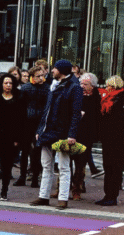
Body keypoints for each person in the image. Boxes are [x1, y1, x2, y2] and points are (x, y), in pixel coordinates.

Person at [32, 59, 83, 210]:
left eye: (54, 68)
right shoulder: (54, 86)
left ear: (61, 70)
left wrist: (71, 134)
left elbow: (75, 113)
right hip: (49, 131)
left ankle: (62, 198)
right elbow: (46, 111)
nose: (52, 71)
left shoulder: (74, 88)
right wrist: (40, 130)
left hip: (62, 132)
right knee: (46, 165)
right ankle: (43, 196)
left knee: (63, 166)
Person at [95, 75, 124, 206]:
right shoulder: (109, 99)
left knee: (114, 167)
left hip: (117, 140)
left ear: (114, 86)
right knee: (108, 166)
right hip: (108, 138)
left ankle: (112, 196)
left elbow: (119, 121)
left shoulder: (120, 100)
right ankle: (108, 194)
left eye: (109, 85)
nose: (106, 88)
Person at [18, 65, 49, 188]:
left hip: (39, 122)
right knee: (25, 150)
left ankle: (35, 177)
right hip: (27, 121)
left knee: (37, 151)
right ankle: (22, 176)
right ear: (32, 77)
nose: (41, 78)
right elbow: (20, 106)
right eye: (38, 76)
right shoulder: (25, 88)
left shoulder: (47, 89)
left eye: (42, 76)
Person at [71, 72, 101, 200]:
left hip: (87, 134)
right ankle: (61, 187)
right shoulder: (76, 95)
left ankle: (77, 188)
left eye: (86, 84)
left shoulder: (97, 98)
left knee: (80, 163)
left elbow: (97, 118)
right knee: (66, 161)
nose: (82, 86)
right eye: (81, 83)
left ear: (92, 86)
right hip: (73, 132)